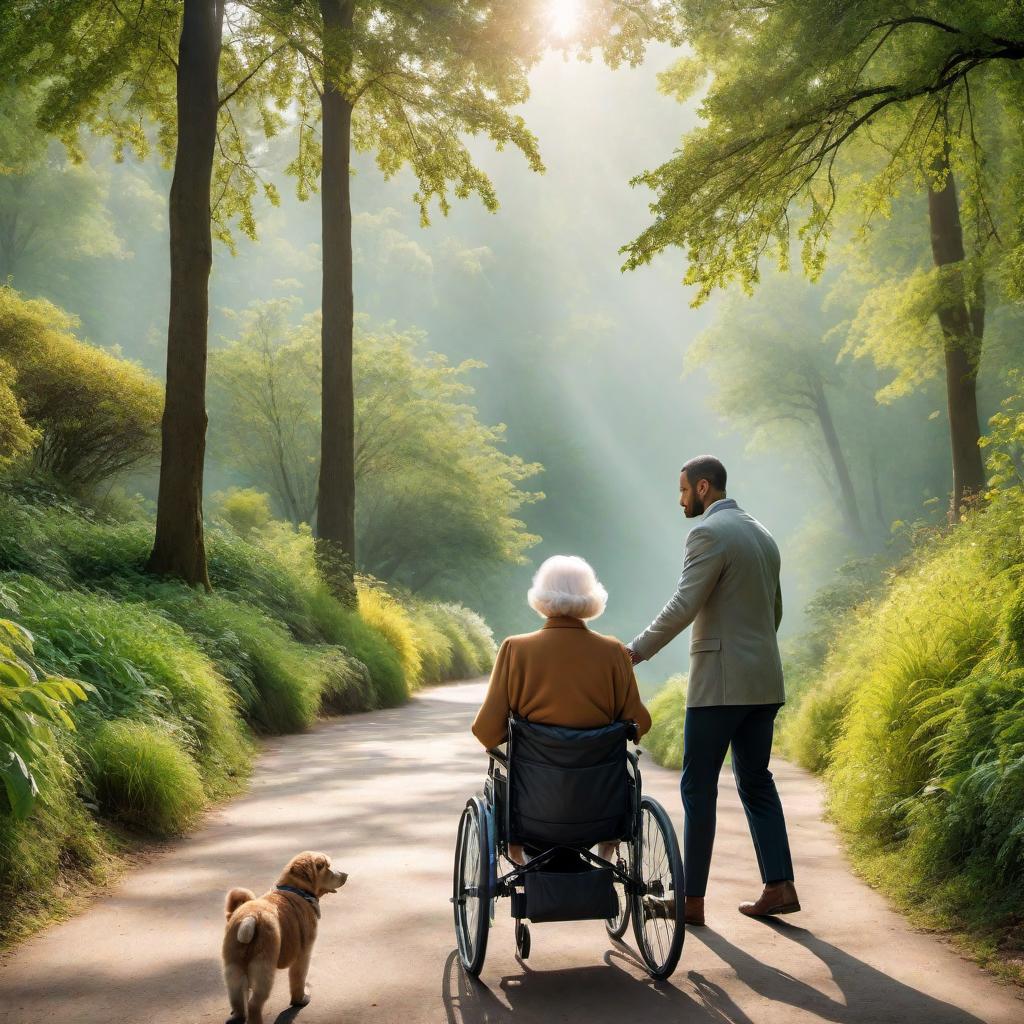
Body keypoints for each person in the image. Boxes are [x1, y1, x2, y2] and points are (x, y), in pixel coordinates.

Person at [627, 455, 798, 927]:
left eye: (683, 490)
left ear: (703, 487)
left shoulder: (707, 533)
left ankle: (691, 902)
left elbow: (685, 603)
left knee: (697, 788)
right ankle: (779, 885)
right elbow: (774, 611)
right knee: (756, 780)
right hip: (764, 681)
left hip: (720, 686)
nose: (680, 500)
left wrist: (636, 652)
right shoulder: (762, 534)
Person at [472, 554, 652, 865]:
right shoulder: (613, 652)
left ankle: (520, 860)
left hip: (531, 809)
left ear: (541, 596)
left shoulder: (516, 649)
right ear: (591, 597)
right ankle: (607, 857)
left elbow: (486, 731)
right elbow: (639, 723)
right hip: (600, 811)